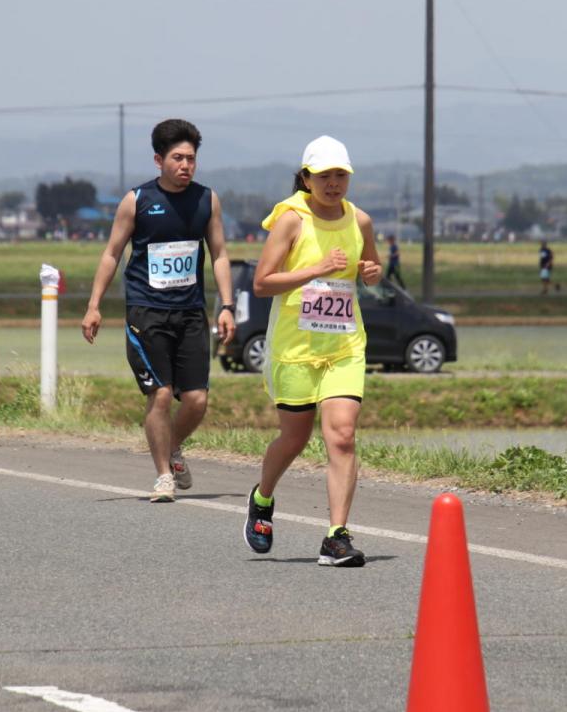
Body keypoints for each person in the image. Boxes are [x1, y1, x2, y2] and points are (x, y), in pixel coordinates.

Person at [242, 136, 382, 567]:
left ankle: (336, 536)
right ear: (306, 178)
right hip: (296, 348)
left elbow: (371, 275)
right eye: (323, 176)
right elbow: (262, 282)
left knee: (341, 435)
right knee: (295, 437)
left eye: (341, 175)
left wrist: (372, 273)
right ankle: (263, 498)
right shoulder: (291, 219)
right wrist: (313, 271)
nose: (333, 183)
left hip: (343, 345)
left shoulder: (360, 221)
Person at [81, 118, 236, 503]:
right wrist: (94, 306)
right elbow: (112, 254)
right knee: (162, 395)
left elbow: (219, 254)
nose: (186, 166)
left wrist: (227, 306)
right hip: (146, 312)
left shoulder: (207, 200)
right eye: (178, 158)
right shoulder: (137, 201)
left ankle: (172, 447)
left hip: (190, 313)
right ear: (158, 159)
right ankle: (163, 476)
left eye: (191, 159)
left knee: (197, 400)